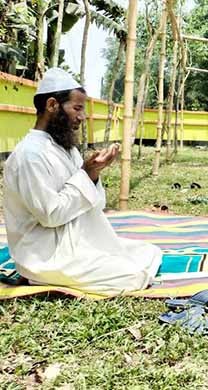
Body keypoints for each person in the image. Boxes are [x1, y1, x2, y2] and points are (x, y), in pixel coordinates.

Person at [2, 68, 162, 295]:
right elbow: (51, 215)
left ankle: (87, 263)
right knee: (133, 276)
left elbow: (93, 203)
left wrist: (94, 173)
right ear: (52, 105)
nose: (82, 116)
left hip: (74, 240)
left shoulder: (65, 148)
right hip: (44, 253)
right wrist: (85, 175)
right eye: (77, 108)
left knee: (149, 252)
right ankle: (39, 278)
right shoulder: (29, 155)